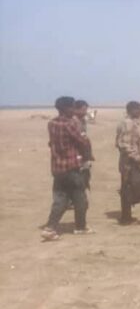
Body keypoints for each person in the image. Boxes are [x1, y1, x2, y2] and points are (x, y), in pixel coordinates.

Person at [40, 96, 94, 241]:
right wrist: (87, 155)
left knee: (60, 198)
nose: (74, 110)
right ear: (65, 109)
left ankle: (50, 228)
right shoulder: (70, 124)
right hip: (72, 166)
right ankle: (80, 227)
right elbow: (83, 141)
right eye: (72, 107)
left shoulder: (51, 123)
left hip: (57, 167)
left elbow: (52, 143)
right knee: (80, 197)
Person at [115, 101, 140, 224]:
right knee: (127, 187)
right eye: (138, 110)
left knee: (129, 186)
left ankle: (127, 215)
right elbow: (123, 144)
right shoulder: (128, 123)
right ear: (132, 110)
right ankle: (126, 217)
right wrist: (135, 157)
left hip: (129, 160)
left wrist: (139, 139)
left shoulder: (130, 122)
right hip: (129, 161)